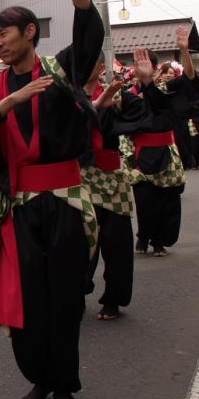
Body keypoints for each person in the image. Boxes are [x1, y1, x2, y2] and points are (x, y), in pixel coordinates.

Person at [0, 0, 104, 399]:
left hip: (65, 199)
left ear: (29, 32)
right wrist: (10, 102)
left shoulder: (62, 71)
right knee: (28, 299)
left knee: (65, 298)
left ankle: (65, 384)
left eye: (4, 33)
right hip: (22, 206)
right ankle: (40, 378)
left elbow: (90, 39)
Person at [129, 30, 199, 257]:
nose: (137, 67)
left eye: (141, 63)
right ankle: (144, 235)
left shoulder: (167, 89)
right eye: (135, 64)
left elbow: (190, 79)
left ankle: (159, 240)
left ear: (153, 66)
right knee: (144, 199)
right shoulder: (129, 93)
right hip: (141, 152)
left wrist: (183, 50)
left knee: (167, 198)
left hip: (166, 151)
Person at [81, 55, 142, 322]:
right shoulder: (65, 98)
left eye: (90, 63)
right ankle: (75, 294)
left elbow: (145, 115)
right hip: (78, 178)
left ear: (102, 68)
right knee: (78, 244)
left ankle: (113, 300)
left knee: (116, 243)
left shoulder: (118, 96)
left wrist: (147, 81)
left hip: (111, 177)